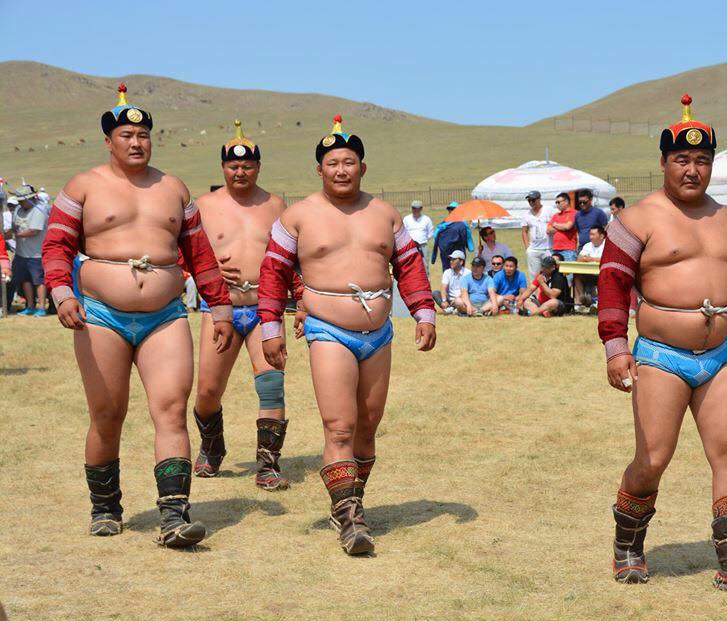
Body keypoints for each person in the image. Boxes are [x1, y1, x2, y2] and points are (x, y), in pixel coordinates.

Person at [598, 94, 727, 597]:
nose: (692, 169)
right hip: (661, 356)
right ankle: (628, 545)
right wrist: (616, 348)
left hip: (721, 357)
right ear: (663, 162)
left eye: (702, 160)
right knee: (653, 459)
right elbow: (612, 286)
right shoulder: (637, 218)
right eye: (682, 158)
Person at [41, 84, 234, 548]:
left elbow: (200, 255)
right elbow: (56, 245)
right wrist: (62, 293)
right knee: (108, 414)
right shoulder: (82, 186)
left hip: (165, 316)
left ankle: (174, 516)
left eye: (143, 135)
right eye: (126, 135)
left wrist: (221, 307)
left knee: (171, 409)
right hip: (100, 316)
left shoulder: (174, 189)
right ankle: (105, 507)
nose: (136, 142)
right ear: (108, 141)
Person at [257, 115, 436, 556]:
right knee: (340, 426)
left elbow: (409, 266)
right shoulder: (297, 216)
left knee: (368, 427)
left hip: (379, 332)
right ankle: (350, 517)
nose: (341, 170)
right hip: (327, 329)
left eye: (349, 162)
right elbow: (273, 271)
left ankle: (351, 499)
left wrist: (424, 313)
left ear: (362, 167)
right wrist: (270, 327)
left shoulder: (385, 214)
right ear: (319, 169)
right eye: (333, 163)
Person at [191, 121, 301, 491]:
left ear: (258, 167)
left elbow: (292, 257)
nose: (240, 172)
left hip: (264, 309)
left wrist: (301, 301)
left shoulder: (275, 206)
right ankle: (212, 445)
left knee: (271, 385)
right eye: (233, 166)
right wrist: (206, 268)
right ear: (223, 167)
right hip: (219, 308)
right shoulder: (204, 206)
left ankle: (268, 465)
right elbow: (183, 249)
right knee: (207, 391)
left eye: (248, 166)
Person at [10, 185, 51, 316]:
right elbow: (14, 225)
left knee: (39, 281)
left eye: (22, 200)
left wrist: (15, 235)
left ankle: (42, 307)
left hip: (36, 254)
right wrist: (12, 232)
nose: (20, 203)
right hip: (21, 253)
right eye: (19, 201)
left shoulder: (39, 210)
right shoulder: (18, 209)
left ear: (31, 198)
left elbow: (34, 231)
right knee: (25, 280)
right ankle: (30, 306)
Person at [431, 201, 473, 271]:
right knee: (458, 271)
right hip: (458, 251)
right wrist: (470, 247)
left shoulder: (443, 224)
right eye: (451, 209)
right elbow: (468, 236)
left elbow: (435, 236)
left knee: (448, 271)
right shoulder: (462, 223)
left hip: (446, 252)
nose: (451, 211)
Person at [520, 190, 552, 282]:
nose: (531, 202)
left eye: (533, 200)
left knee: (550, 273)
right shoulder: (526, 215)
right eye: (529, 200)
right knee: (534, 275)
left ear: (539, 199)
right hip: (533, 249)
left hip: (548, 248)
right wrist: (527, 248)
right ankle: (535, 291)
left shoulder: (549, 210)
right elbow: (524, 231)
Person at [574, 224, 605, 313]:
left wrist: (591, 259)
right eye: (590, 234)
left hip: (603, 274)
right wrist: (589, 259)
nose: (590, 237)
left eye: (593, 234)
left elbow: (606, 259)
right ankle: (581, 302)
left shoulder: (608, 245)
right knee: (576, 276)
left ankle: (598, 303)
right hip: (589, 274)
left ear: (601, 236)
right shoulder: (587, 245)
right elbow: (579, 259)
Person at [402, 199, 433, 274]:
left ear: (421, 208)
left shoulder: (427, 219)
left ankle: (426, 280)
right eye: (413, 208)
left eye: (417, 208)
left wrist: (423, 239)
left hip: (423, 245)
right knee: (410, 265)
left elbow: (430, 232)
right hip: (410, 246)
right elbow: (403, 232)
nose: (415, 210)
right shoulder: (406, 219)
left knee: (425, 265)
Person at [435, 249, 467, 314]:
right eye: (451, 259)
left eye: (454, 259)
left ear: (461, 262)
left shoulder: (468, 273)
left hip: (462, 298)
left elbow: (467, 291)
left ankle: (453, 309)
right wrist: (444, 301)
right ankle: (452, 308)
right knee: (435, 293)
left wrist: (457, 299)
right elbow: (443, 288)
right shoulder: (447, 272)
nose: (451, 261)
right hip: (450, 300)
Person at [548, 193, 577, 261]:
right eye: (556, 202)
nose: (557, 204)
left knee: (568, 268)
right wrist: (562, 227)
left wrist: (555, 225)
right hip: (555, 249)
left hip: (568, 249)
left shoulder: (573, 213)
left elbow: (567, 227)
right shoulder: (556, 215)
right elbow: (548, 230)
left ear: (566, 202)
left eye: (558, 202)